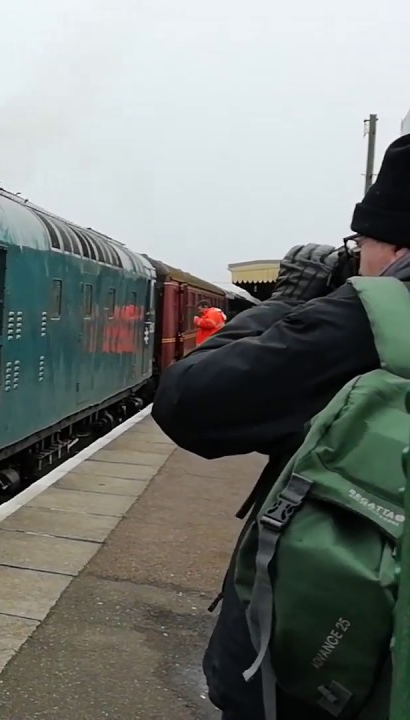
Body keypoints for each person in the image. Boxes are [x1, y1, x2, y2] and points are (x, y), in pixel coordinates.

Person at [151, 131, 410, 720]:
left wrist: (288, 304)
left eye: (362, 240)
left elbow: (191, 404)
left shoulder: (378, 318)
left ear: (394, 245)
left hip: (326, 673)